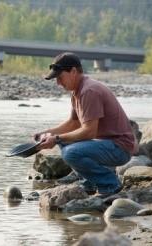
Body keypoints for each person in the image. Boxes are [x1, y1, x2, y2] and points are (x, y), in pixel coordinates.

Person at [34, 52, 137, 198]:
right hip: (107, 144)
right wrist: (47, 133)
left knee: (70, 152)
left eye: (60, 77)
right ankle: (89, 183)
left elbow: (89, 132)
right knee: (65, 143)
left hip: (120, 148)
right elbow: (73, 123)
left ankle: (110, 184)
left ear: (74, 71)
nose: (58, 83)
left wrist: (56, 139)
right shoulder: (77, 91)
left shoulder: (89, 91)